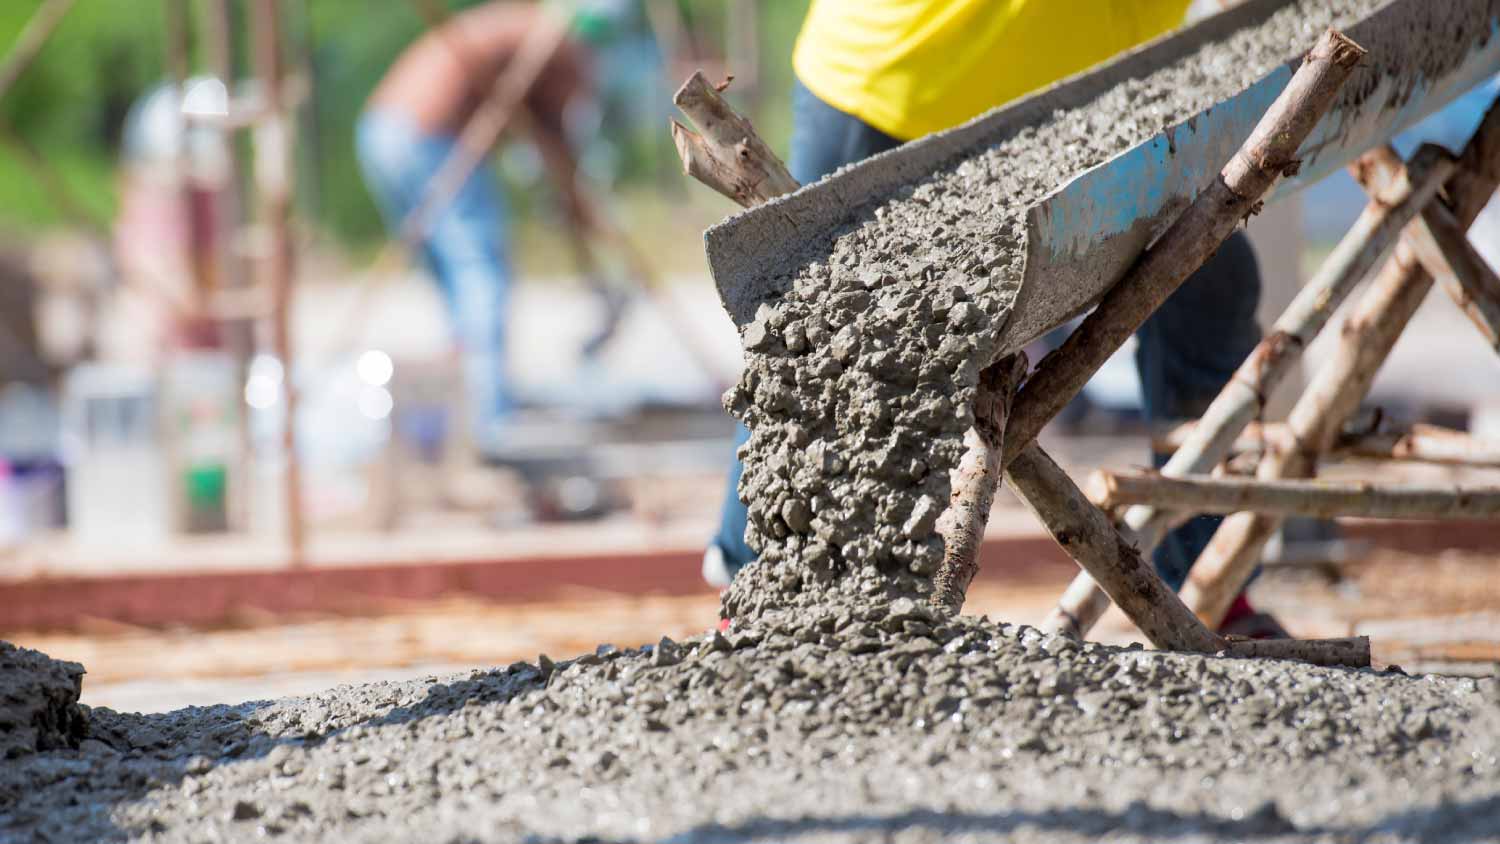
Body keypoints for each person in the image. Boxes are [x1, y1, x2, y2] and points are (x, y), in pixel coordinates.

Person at [705, 0, 1278, 636]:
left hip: (1094, 102)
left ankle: (1210, 585)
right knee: (825, 343)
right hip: (903, 83)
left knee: (1209, 288)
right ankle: (761, 597)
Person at [356, 2, 594, 451]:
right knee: (479, 266)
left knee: (453, 279)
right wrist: (574, 199)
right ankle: (489, 416)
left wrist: (568, 194)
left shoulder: (523, 28)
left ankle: (467, 398)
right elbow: (557, 134)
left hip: (381, 130)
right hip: (427, 134)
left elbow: (544, 131)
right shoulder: (559, 44)